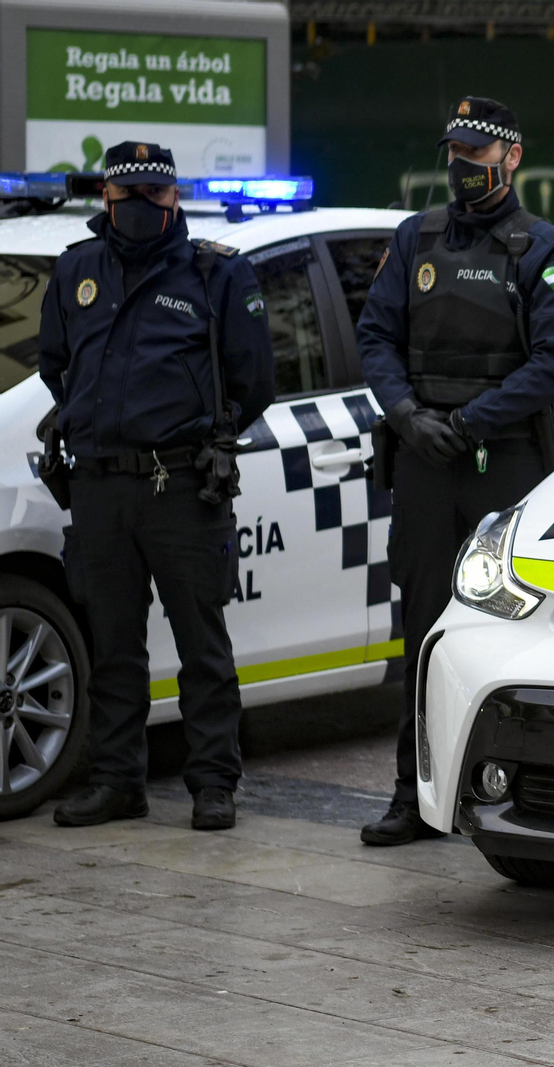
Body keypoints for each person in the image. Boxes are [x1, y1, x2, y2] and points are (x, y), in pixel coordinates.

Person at [357, 97, 554, 845]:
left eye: (477, 156)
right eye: (454, 154)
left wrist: (468, 420)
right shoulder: (414, 237)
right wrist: (405, 414)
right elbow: (376, 335)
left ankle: (522, 791)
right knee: (423, 631)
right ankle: (411, 793)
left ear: (511, 157)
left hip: (503, 461)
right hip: (426, 460)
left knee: (514, 630)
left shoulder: (545, 249)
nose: (463, 170)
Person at [38, 141, 275, 831]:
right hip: (100, 486)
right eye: (129, 196)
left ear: (175, 197)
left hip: (181, 483)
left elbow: (253, 379)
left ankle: (212, 782)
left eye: (156, 195)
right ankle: (118, 780)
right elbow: (58, 365)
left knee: (202, 642)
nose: (143, 208)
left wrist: (192, 426)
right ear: (105, 201)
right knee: (112, 644)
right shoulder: (77, 269)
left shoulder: (213, 273)